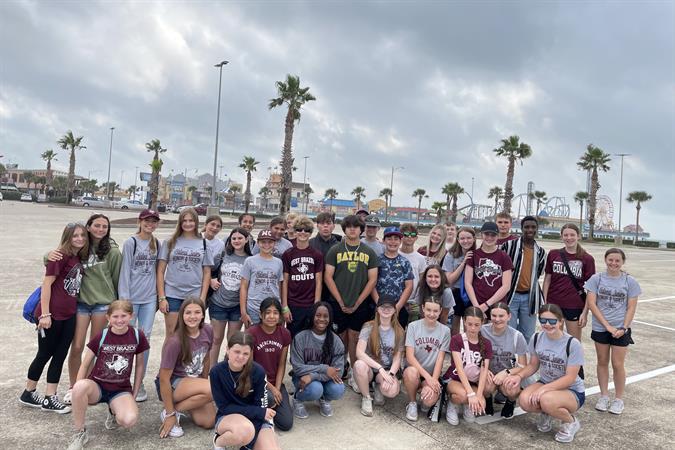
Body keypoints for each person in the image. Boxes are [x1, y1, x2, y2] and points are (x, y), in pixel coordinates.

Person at [48, 214, 122, 405]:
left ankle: (91, 385)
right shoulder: (80, 246)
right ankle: (75, 386)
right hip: (80, 304)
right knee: (78, 346)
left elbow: (116, 279)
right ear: (88, 227)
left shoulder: (112, 251)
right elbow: (58, 256)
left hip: (102, 303)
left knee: (94, 348)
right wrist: (48, 255)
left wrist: (116, 305)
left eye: (104, 226)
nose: (100, 229)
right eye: (96, 225)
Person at [21, 222, 88, 413]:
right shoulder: (60, 256)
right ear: (67, 237)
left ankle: (48, 396)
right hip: (53, 315)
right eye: (75, 235)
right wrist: (45, 314)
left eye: (83, 235)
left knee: (59, 355)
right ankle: (31, 392)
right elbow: (46, 285)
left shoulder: (76, 257)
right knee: (44, 354)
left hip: (69, 314)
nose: (80, 239)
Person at [67, 300, 149, 450]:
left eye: (123, 316)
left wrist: (135, 393)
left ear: (131, 316)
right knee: (79, 387)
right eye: (115, 316)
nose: (119, 320)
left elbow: (140, 366)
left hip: (120, 389)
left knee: (129, 420)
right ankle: (80, 432)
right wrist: (76, 388)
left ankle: (113, 412)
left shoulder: (137, 335)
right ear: (108, 318)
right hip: (97, 386)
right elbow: (85, 364)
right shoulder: (102, 335)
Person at [504, 304, 585, 443]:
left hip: (571, 389)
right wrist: (518, 376)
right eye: (543, 320)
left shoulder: (572, 343)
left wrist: (543, 389)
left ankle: (571, 422)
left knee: (546, 399)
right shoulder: (536, 338)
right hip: (546, 382)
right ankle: (546, 413)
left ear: (560, 321)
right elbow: (533, 365)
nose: (547, 324)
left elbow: (570, 378)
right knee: (524, 400)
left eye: (552, 321)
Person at [585, 248, 641, 415]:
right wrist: (607, 326)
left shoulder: (630, 281)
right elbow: (592, 304)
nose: (613, 263)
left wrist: (623, 327)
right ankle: (603, 396)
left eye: (617, 260)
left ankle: (618, 399)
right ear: (605, 260)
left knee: (618, 364)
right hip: (600, 327)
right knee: (602, 362)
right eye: (611, 260)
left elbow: (631, 307)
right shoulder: (596, 279)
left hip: (621, 329)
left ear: (622, 262)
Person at [324, 214, 379, 380]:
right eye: (349, 226)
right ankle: (341, 369)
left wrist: (358, 301)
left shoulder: (368, 252)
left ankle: (357, 374)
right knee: (339, 338)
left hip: (360, 303)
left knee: (355, 337)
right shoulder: (335, 250)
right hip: (337, 302)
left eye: (356, 226)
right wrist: (340, 301)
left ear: (361, 229)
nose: (352, 229)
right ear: (344, 229)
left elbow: (372, 280)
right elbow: (328, 277)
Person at [210, 332, 280, 450]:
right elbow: (224, 407)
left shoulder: (258, 371)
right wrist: (259, 412)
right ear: (228, 350)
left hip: (257, 418)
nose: (241, 357)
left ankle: (249, 441)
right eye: (237, 352)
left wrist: (248, 446)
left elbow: (260, 408)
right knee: (245, 431)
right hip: (229, 416)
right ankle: (218, 441)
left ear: (250, 354)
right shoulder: (216, 372)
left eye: (245, 353)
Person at [157, 298, 216, 439]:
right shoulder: (175, 341)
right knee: (214, 388)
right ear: (182, 315)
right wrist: (206, 388)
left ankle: (176, 409)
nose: (192, 316)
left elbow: (206, 358)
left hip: (193, 381)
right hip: (173, 385)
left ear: (203, 314)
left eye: (197, 312)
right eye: (188, 312)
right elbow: (164, 379)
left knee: (209, 422)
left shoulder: (208, 330)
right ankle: (170, 412)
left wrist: (202, 383)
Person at [118, 209, 160, 402]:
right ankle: (122, 380)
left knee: (145, 338)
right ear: (140, 221)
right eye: (147, 221)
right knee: (126, 339)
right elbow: (125, 271)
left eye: (153, 222)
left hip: (149, 298)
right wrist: (124, 300)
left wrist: (159, 296)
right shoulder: (131, 242)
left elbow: (157, 271)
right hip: (131, 298)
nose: (150, 225)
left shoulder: (156, 243)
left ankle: (139, 382)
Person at [157, 208, 213, 345]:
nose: (188, 224)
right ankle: (166, 366)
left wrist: (202, 298)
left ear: (196, 222)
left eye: (191, 220)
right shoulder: (170, 242)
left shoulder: (204, 244)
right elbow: (160, 271)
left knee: (191, 335)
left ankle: (185, 366)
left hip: (194, 295)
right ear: (180, 222)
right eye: (184, 221)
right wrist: (162, 297)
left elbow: (207, 273)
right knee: (171, 335)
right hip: (172, 295)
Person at [290, 302, 346, 419]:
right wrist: (325, 368)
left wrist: (313, 376)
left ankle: (324, 399)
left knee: (338, 388)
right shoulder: (300, 337)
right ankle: (297, 399)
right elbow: (297, 368)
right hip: (302, 378)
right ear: (312, 316)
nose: (321, 319)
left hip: (317, 378)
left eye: (325, 316)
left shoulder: (336, 340)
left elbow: (338, 372)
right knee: (315, 389)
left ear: (330, 319)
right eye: (318, 315)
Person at [543, 223, 596, 341]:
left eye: (572, 235)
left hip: (574, 305)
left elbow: (591, 289)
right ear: (561, 237)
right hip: (554, 304)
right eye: (565, 235)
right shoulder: (553, 254)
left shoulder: (587, 259)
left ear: (579, 236)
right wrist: (545, 302)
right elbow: (547, 279)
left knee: (574, 342)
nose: (569, 238)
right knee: (554, 339)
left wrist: (585, 312)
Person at [247, 298, 293, 431]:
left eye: (275, 312)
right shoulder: (251, 333)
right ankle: (259, 410)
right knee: (270, 398)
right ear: (261, 315)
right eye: (268, 312)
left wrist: (278, 388)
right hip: (256, 382)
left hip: (275, 383)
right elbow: (250, 367)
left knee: (286, 423)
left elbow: (282, 364)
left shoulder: (284, 333)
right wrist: (271, 388)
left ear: (279, 316)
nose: (271, 316)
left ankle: (266, 408)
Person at [354, 295, 404, 417]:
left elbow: (397, 358)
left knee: (392, 391)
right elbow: (359, 352)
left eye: (389, 307)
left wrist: (390, 374)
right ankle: (366, 397)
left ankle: (377, 385)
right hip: (370, 368)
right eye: (383, 307)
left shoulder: (399, 331)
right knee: (359, 365)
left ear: (394, 310)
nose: (386, 309)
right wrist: (379, 368)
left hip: (386, 369)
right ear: (377, 309)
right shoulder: (368, 326)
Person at [209, 227, 252, 369]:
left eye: (240, 238)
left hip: (236, 307)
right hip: (218, 303)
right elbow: (208, 269)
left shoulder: (250, 260)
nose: (237, 241)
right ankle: (212, 371)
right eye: (234, 238)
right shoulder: (223, 255)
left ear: (246, 240)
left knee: (232, 341)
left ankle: (228, 369)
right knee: (216, 339)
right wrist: (211, 279)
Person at [402, 295, 450, 421]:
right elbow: (410, 356)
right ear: (423, 308)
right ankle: (412, 402)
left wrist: (433, 380)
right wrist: (428, 378)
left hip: (431, 372)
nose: (431, 314)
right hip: (415, 371)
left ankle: (424, 400)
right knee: (411, 372)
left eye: (435, 311)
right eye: (428, 310)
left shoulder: (445, 331)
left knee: (429, 401)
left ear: (440, 311)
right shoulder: (413, 326)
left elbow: (440, 359)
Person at [444, 307, 493, 425]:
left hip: (472, 380)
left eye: (477, 325)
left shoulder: (486, 343)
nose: (473, 328)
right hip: (455, 378)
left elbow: (484, 370)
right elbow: (459, 368)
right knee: (462, 395)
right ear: (464, 321)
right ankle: (452, 403)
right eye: (470, 324)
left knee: (482, 402)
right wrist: (471, 395)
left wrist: (479, 395)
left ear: (482, 323)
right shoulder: (456, 339)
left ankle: (467, 405)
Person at [501, 216, 546, 343]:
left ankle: (524, 361)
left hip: (529, 298)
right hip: (511, 296)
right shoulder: (509, 246)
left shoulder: (541, 252)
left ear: (537, 229)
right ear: (521, 228)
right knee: (510, 332)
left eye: (533, 227)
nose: (530, 230)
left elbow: (538, 274)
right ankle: (511, 360)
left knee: (528, 334)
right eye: (527, 227)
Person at [481, 303, 529, 419]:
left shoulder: (517, 336)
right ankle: (487, 400)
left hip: (508, 372)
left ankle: (510, 402)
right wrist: (483, 369)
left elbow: (523, 366)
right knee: (486, 386)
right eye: (494, 315)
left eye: (501, 316)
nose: (497, 319)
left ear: (509, 316)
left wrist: (506, 373)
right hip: (489, 371)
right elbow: (475, 355)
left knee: (512, 389)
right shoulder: (482, 331)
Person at [282, 215, 324, 337]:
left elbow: (319, 280)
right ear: (295, 231)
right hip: (293, 304)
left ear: (310, 233)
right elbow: (285, 281)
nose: (303, 232)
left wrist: (317, 304)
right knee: (293, 337)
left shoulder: (317, 254)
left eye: (306, 230)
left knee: (309, 338)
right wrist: (285, 306)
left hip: (310, 304)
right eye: (299, 229)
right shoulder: (288, 254)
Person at [464, 221, 513, 316]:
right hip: (476, 303)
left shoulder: (504, 257)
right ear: (481, 235)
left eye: (493, 235)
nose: (489, 238)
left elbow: (506, 286)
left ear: (497, 236)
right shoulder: (473, 255)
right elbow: (468, 282)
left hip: (497, 305)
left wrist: (486, 305)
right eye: (486, 234)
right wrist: (477, 307)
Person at [371, 226, 414, 329]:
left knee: (398, 338)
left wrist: (398, 307)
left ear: (400, 241)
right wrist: (379, 305)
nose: (392, 242)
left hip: (398, 307)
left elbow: (409, 286)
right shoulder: (377, 260)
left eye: (396, 239)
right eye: (389, 239)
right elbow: (372, 284)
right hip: (378, 306)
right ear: (383, 241)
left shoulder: (405, 262)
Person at [240, 229, 283, 327]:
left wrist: (281, 307)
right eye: (263, 242)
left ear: (274, 243)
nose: (266, 245)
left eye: (270, 242)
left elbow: (279, 285)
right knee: (251, 339)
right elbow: (243, 286)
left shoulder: (278, 262)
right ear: (258, 243)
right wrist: (243, 311)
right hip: (253, 308)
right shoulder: (250, 261)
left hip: (272, 308)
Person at [443, 227, 476, 335]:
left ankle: (469, 347)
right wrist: (463, 263)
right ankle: (454, 347)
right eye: (462, 238)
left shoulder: (478, 253)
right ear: (457, 239)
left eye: (468, 238)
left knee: (470, 322)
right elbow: (449, 280)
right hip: (456, 290)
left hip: (472, 292)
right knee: (454, 322)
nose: (465, 241)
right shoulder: (451, 254)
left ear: (474, 239)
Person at [398, 223, 427, 322]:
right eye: (406, 234)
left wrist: (418, 301)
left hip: (413, 302)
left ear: (416, 238)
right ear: (401, 236)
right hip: (396, 300)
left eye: (413, 234)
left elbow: (421, 282)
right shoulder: (395, 254)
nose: (409, 237)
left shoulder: (421, 258)